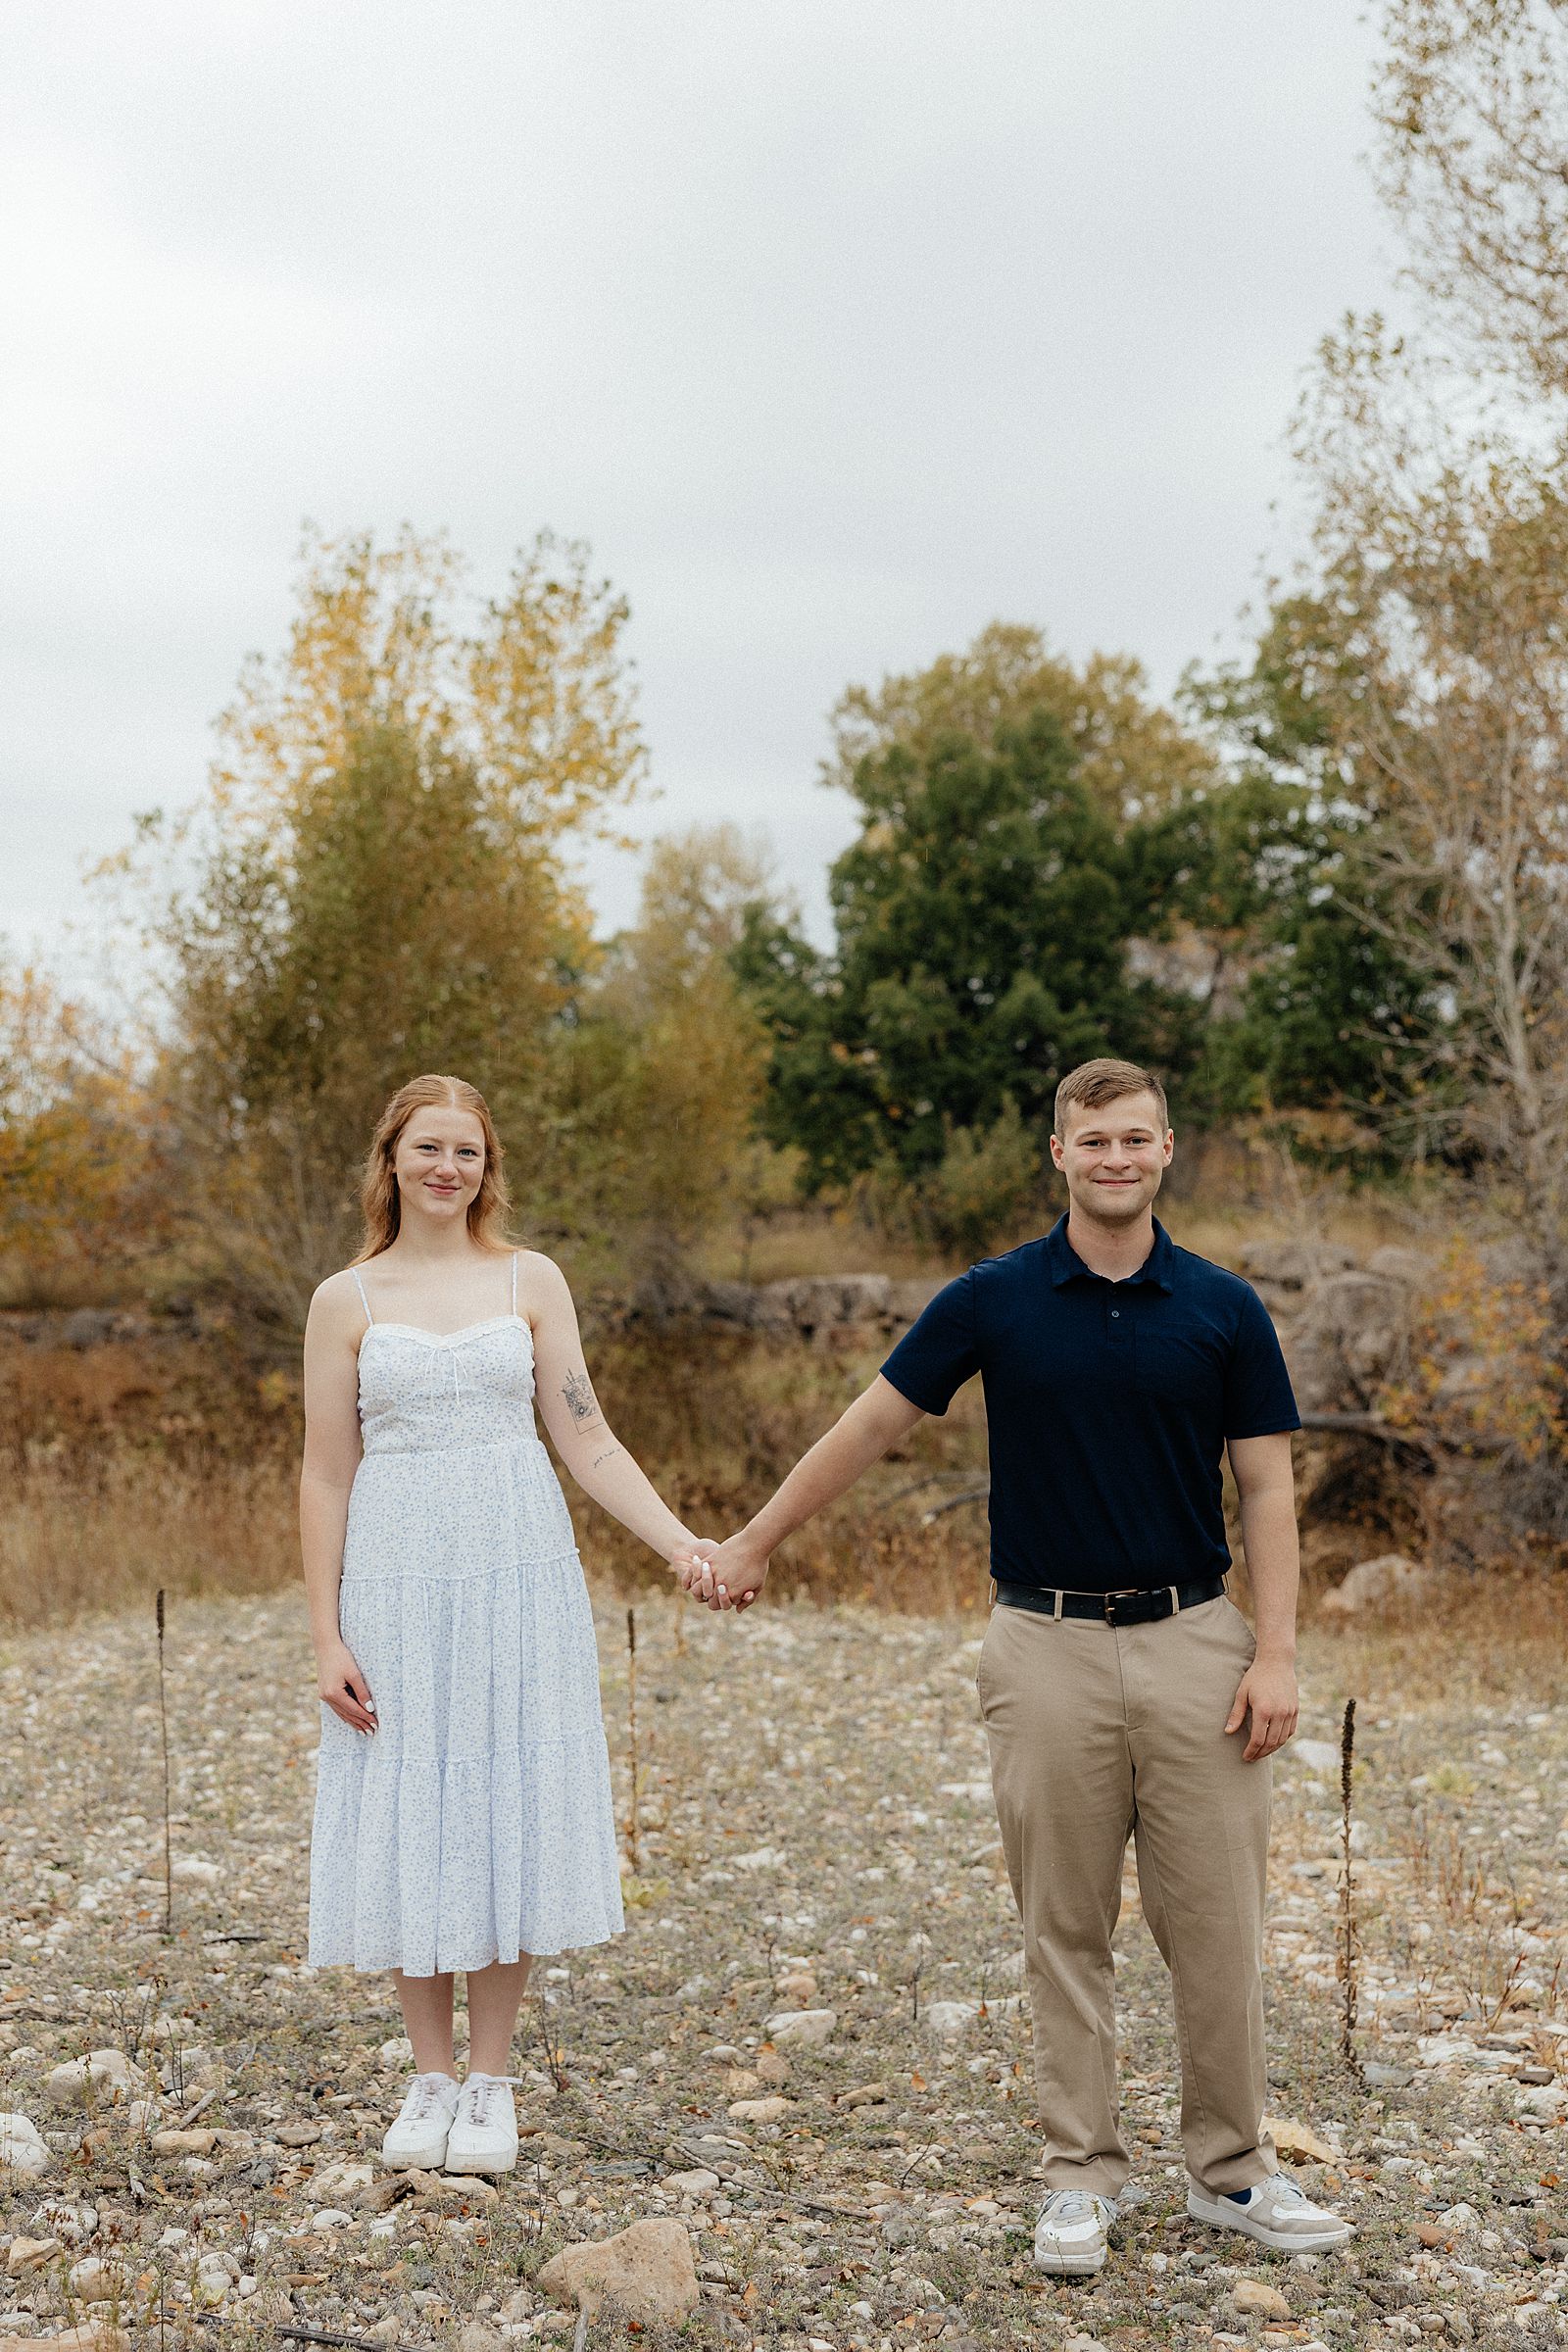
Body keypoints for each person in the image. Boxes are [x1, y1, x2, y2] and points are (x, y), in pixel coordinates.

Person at [681, 1056, 1352, 2275]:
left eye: (1134, 1139)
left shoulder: (1222, 1306)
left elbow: (1265, 1485)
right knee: (1064, 1925)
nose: (1114, 1158)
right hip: (1039, 1642)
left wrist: (1278, 1654)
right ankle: (1079, 2178)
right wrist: (753, 1541)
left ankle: (1233, 2170)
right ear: (1058, 1153)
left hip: (1197, 1640)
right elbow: (870, 1426)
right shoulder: (993, 1300)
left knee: (1217, 1928)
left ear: (1165, 1150)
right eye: (1092, 1141)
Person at [302, 1073, 714, 2176]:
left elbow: (587, 1439)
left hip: (517, 1572)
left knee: (502, 1802)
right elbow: (326, 1472)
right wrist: (324, 1634)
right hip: (394, 1577)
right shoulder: (348, 1299)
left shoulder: (531, 1280)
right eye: (427, 1149)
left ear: (489, 1169)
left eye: (468, 1153)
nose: (447, 1169)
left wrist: (680, 1543)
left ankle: (490, 2082)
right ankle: (426, 2074)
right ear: (390, 1160)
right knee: (412, 1796)